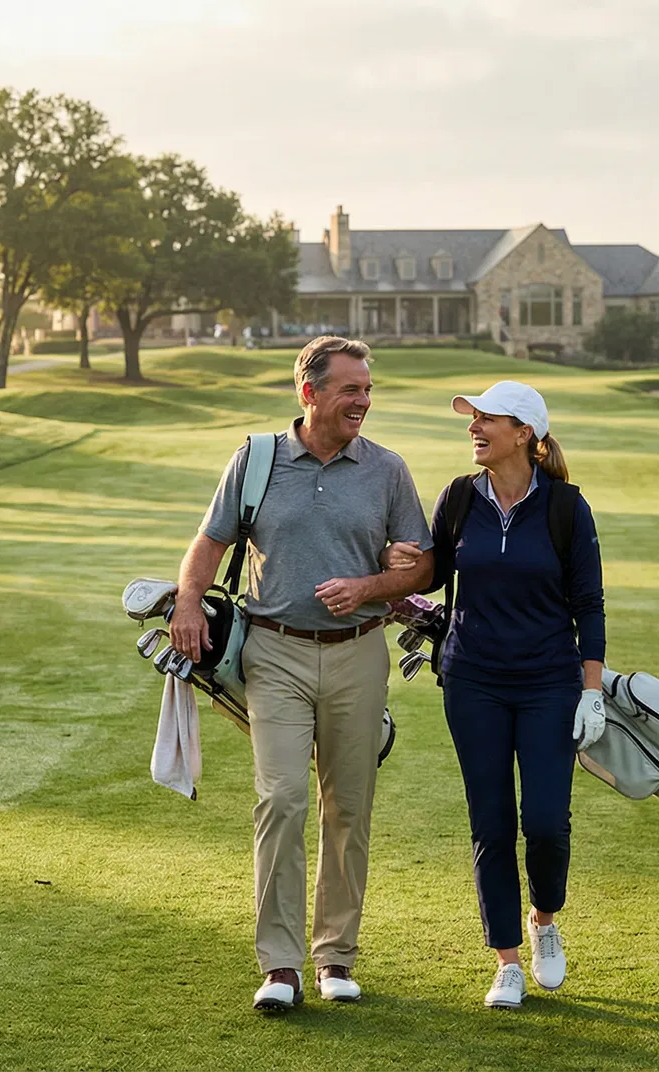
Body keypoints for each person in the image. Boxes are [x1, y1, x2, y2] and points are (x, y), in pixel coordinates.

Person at [171, 336, 434, 1013]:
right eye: (351, 390)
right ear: (310, 393)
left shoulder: (387, 470)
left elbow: (423, 568)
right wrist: (189, 602)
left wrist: (371, 584)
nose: (364, 402)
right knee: (282, 798)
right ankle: (280, 965)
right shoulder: (256, 460)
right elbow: (210, 540)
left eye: (368, 390)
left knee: (348, 806)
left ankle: (335, 957)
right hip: (275, 653)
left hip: (358, 651)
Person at [385, 379, 606, 1010]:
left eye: (488, 419)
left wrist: (591, 691)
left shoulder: (567, 508)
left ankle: (544, 919)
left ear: (525, 434)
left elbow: (588, 604)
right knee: (491, 822)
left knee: (545, 822)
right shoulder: (458, 498)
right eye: (472, 419)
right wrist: (400, 564)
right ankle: (506, 958)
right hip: (472, 679)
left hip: (549, 683)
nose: (474, 428)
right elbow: (432, 571)